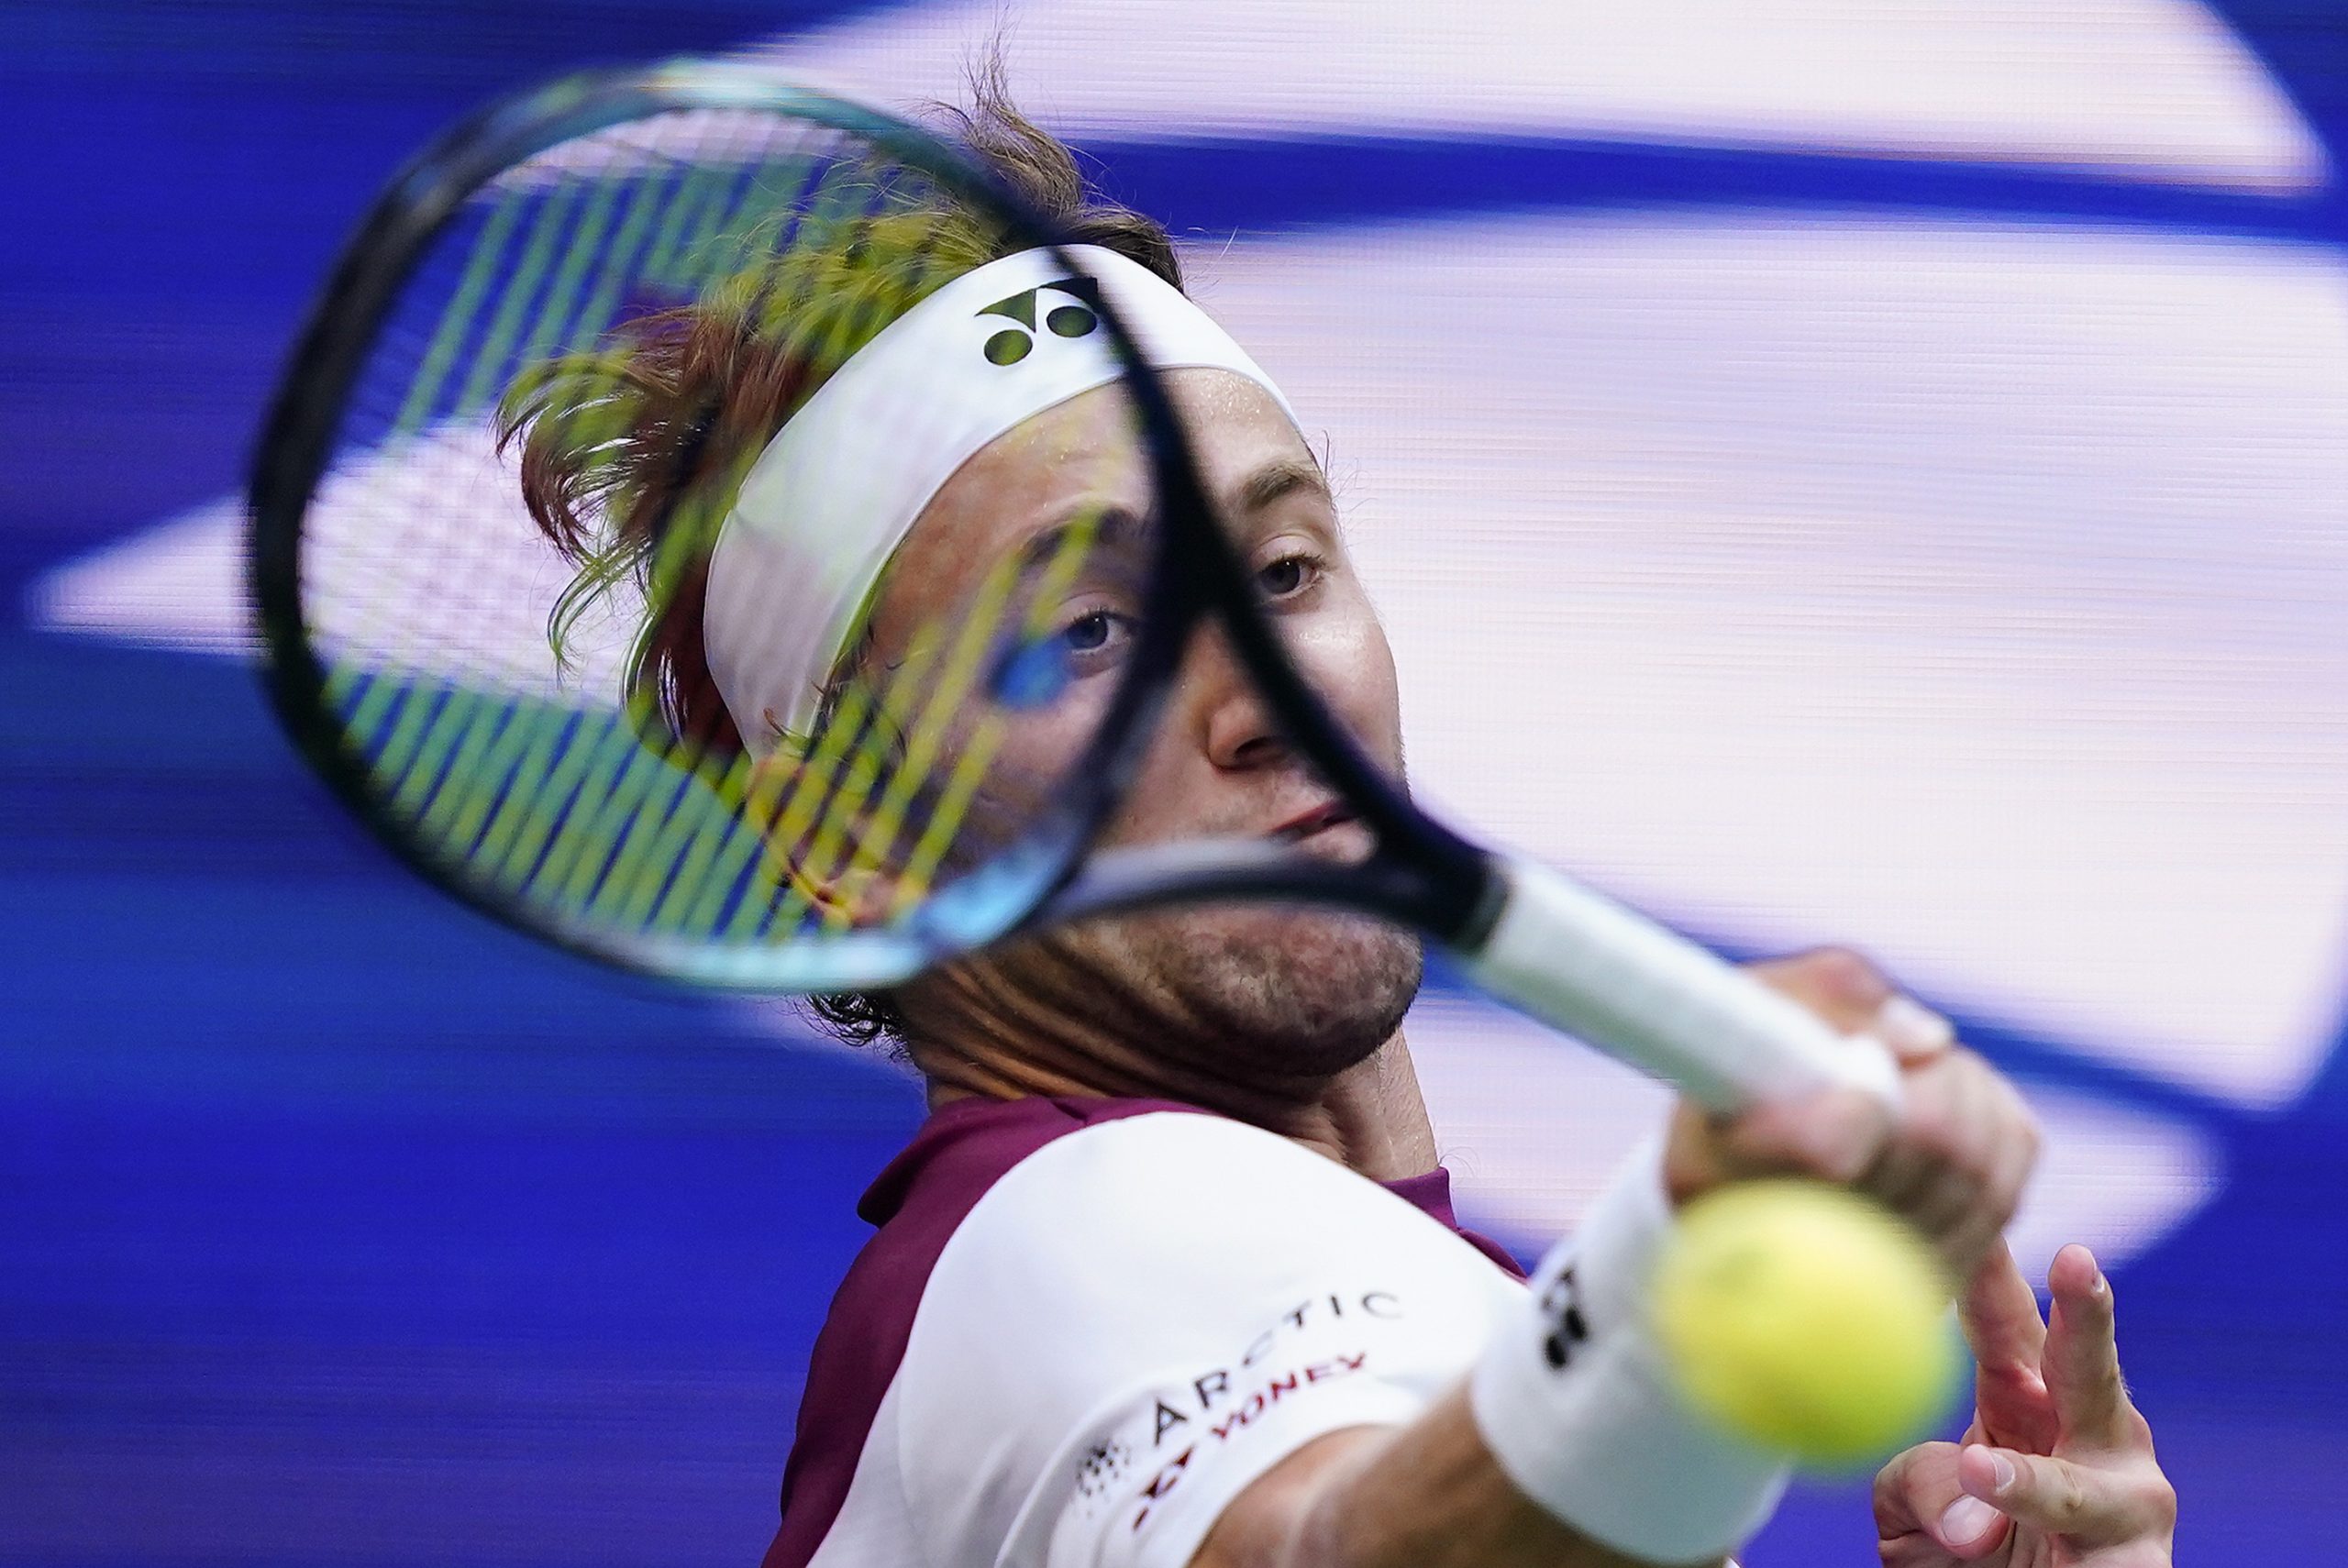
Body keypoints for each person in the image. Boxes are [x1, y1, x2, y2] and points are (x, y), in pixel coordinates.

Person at [504, 73, 2178, 1568]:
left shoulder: (1428, 1316)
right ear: (849, 831)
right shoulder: (1057, 1239)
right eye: (1087, 632)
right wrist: (1673, 1273)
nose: (1261, 701)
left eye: (1284, 568)